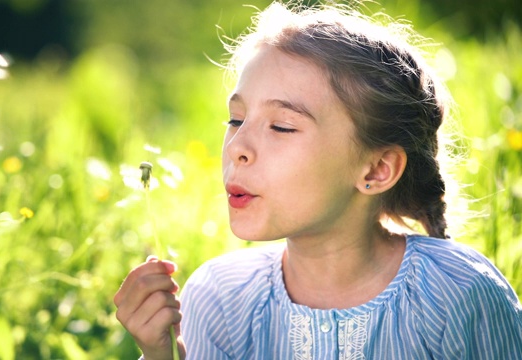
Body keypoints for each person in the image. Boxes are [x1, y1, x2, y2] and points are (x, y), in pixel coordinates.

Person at [114, 2, 522, 359]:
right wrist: (160, 358)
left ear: (376, 170)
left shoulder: (460, 294)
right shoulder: (219, 298)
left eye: (282, 127)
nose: (237, 146)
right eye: (236, 119)